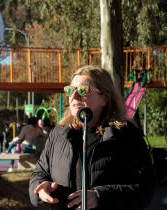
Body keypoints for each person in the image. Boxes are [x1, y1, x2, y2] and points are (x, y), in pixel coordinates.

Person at [29, 65, 156, 210]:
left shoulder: (126, 136)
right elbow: (39, 173)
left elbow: (145, 189)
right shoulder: (58, 133)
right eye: (70, 90)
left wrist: (100, 197)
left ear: (105, 98)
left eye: (83, 90)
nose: (74, 96)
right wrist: (39, 189)